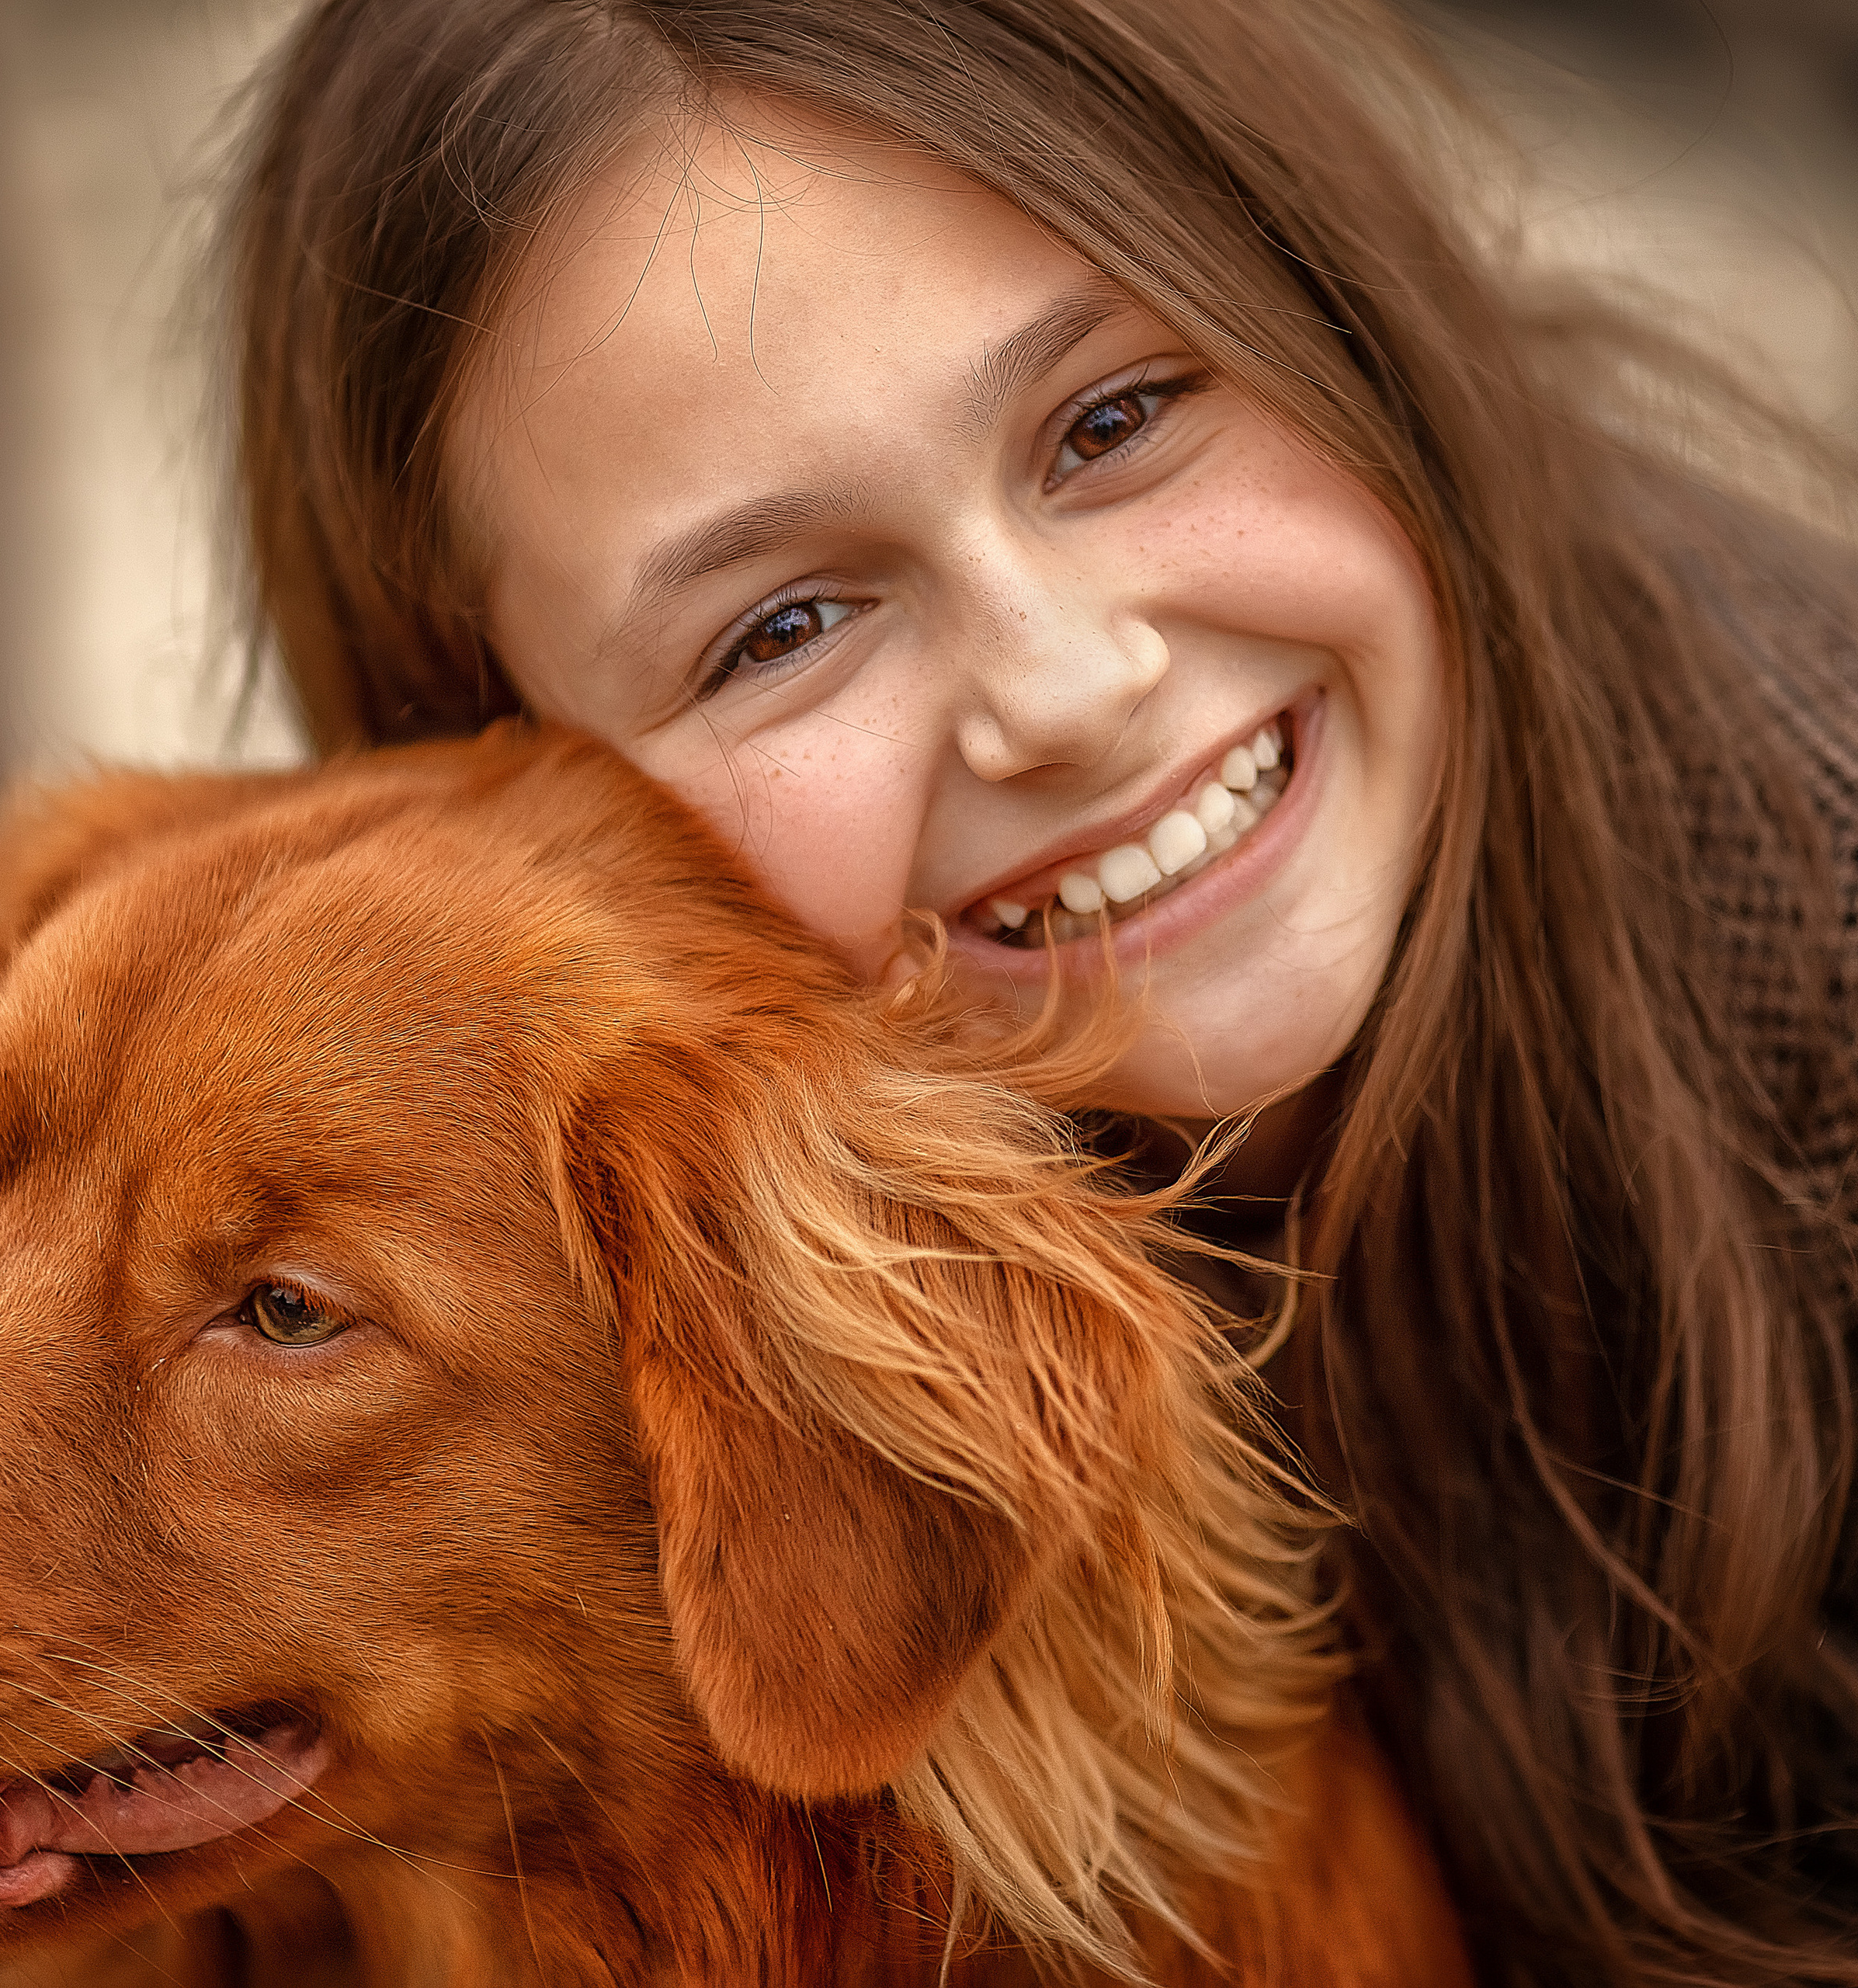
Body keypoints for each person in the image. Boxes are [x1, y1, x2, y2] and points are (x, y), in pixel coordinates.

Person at [218, 0, 1858, 1978]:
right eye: (785, 626)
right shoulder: (591, 1282)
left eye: (1111, 419)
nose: (1069, 690)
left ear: (1326, 296)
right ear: (502, 766)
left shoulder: (1815, 979)